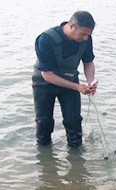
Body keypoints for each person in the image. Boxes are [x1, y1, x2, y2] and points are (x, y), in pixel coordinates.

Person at [32, 11, 98, 148]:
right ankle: (45, 156)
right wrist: (78, 87)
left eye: (88, 35)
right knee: (44, 122)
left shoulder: (86, 39)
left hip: (70, 79)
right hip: (43, 83)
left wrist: (90, 81)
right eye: (83, 34)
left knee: (74, 121)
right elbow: (47, 75)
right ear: (71, 26)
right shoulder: (46, 39)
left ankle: (77, 158)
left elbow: (88, 63)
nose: (85, 38)